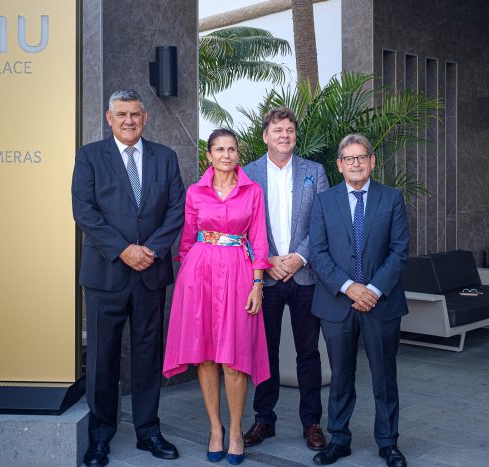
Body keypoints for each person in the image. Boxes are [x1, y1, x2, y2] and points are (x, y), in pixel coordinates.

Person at [71, 89, 185, 466]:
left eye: (135, 114)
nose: (129, 120)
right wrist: (123, 249)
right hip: (105, 275)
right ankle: (100, 438)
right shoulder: (89, 157)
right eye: (121, 114)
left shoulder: (165, 158)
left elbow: (176, 211)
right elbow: (84, 211)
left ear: (145, 117)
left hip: (150, 274)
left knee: (147, 356)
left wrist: (149, 250)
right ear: (109, 118)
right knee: (103, 360)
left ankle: (148, 432)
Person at [163, 128, 271, 465]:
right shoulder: (195, 192)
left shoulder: (253, 191)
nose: (226, 155)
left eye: (232, 149)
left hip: (239, 273)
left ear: (239, 154)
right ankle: (215, 429)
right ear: (208, 155)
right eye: (219, 149)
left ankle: (236, 431)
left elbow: (259, 240)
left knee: (234, 358)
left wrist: (258, 284)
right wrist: (187, 281)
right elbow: (185, 240)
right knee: (206, 355)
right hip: (199, 274)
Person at [308, 134, 410, 467]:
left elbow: (399, 251)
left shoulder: (391, 199)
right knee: (340, 377)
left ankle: (388, 443)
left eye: (361, 157)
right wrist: (350, 287)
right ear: (339, 165)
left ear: (372, 161)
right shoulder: (324, 202)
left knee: (385, 376)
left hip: (382, 303)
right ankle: (339, 439)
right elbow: (318, 252)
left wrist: (373, 290)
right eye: (349, 159)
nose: (356, 163)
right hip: (337, 302)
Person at [242, 107, 330, 451]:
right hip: (265, 277)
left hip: (305, 274)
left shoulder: (315, 172)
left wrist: (299, 257)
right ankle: (264, 419)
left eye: (290, 130)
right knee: (265, 351)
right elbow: (243, 225)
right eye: (277, 130)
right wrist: (268, 261)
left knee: (308, 352)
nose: (284, 135)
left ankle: (311, 422)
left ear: (295, 136)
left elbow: (322, 221)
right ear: (265, 136)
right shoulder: (247, 174)